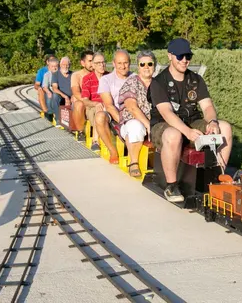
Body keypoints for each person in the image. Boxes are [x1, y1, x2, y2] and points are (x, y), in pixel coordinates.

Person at [148, 38, 233, 203]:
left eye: (188, 56)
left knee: (225, 127)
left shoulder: (196, 80)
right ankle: (171, 185)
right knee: (174, 134)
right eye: (180, 56)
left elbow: (207, 107)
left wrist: (212, 122)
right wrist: (187, 132)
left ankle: (218, 178)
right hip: (163, 126)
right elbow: (166, 113)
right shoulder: (158, 82)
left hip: (192, 121)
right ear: (170, 56)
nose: (185, 60)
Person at [118, 50, 156, 177]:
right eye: (142, 64)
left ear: (154, 66)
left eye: (150, 64)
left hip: (155, 121)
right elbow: (132, 107)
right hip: (132, 122)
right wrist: (149, 125)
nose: (146, 67)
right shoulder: (132, 82)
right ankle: (134, 162)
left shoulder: (159, 84)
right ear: (138, 67)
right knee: (136, 126)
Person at [96, 49, 132, 164]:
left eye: (125, 63)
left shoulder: (135, 77)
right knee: (100, 117)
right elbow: (109, 105)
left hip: (134, 112)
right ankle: (113, 151)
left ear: (129, 63)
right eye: (120, 63)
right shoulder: (106, 79)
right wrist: (123, 122)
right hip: (115, 114)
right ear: (114, 64)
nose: (123, 66)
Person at [81, 52, 108, 150]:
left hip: (108, 106)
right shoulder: (87, 79)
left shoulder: (109, 76)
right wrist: (96, 103)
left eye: (103, 62)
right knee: (99, 109)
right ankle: (95, 141)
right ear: (93, 65)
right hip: (93, 107)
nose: (101, 65)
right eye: (98, 63)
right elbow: (85, 101)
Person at [70, 50, 94, 138]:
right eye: (90, 61)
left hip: (96, 101)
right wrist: (89, 102)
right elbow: (76, 93)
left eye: (94, 61)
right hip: (82, 102)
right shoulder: (76, 75)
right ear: (83, 63)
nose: (93, 64)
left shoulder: (100, 74)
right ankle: (80, 131)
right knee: (79, 104)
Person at [40, 57, 60, 121]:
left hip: (59, 92)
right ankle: (50, 112)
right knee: (49, 96)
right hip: (51, 91)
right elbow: (44, 86)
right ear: (49, 67)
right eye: (52, 66)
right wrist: (48, 92)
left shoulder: (60, 73)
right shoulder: (47, 75)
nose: (54, 68)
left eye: (56, 66)